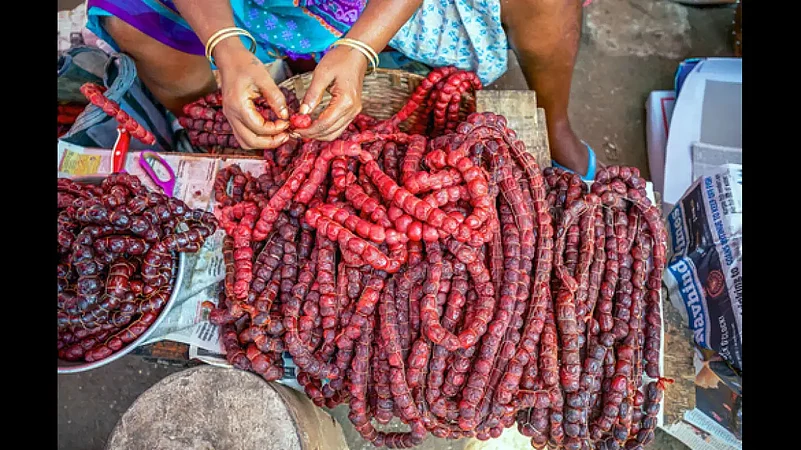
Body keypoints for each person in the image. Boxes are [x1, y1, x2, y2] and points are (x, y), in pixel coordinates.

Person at [86, 0, 597, 180]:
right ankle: (226, 123)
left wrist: (360, 48)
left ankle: (554, 123)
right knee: (129, 15)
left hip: (374, 8)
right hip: (249, 8)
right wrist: (225, 46)